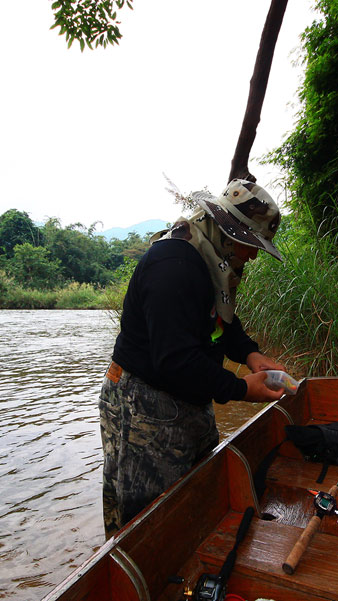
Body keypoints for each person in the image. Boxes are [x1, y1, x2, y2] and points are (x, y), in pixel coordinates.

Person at [99, 178, 287, 537]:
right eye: (250, 244)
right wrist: (241, 388)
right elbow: (176, 359)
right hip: (143, 404)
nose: (253, 254)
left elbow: (220, 321)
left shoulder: (211, 261)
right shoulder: (174, 265)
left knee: (196, 497)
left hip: (188, 397)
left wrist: (251, 354)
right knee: (145, 520)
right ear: (227, 231)